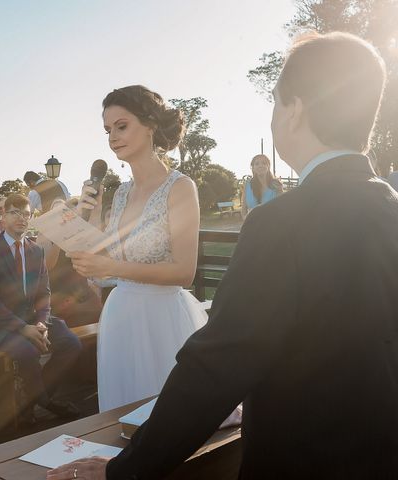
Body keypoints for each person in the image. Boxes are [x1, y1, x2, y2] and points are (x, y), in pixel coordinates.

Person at [49, 32, 396, 480]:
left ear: (292, 111)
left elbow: (216, 369)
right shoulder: (390, 207)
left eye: (274, 102)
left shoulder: (280, 223)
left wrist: (122, 471)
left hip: (306, 458)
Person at [68, 85, 207, 413]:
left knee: (168, 417)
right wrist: (84, 220)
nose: (113, 136)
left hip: (162, 320)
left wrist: (111, 269)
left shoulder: (180, 188)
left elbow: (184, 272)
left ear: (150, 125)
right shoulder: (120, 194)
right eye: (107, 130)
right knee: (123, 418)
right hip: (120, 316)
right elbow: (107, 264)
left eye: (121, 125)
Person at [0, 193, 82, 420]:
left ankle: (31, 399)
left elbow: (44, 293)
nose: (21, 218)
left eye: (26, 214)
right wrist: (23, 328)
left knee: (71, 342)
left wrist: (42, 322)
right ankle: (45, 402)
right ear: (2, 216)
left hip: (34, 318)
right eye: (15, 213)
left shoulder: (36, 251)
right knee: (27, 351)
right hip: (1, 324)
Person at [37, 198, 102, 328]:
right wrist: (59, 239)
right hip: (58, 294)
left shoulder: (81, 234)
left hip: (80, 290)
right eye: (56, 212)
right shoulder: (44, 236)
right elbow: (47, 267)